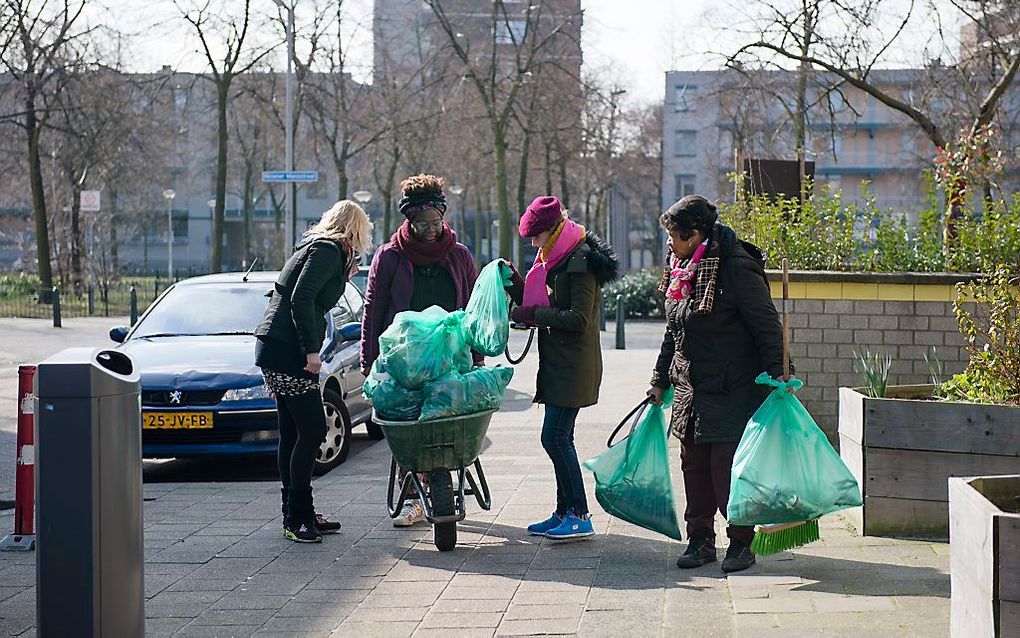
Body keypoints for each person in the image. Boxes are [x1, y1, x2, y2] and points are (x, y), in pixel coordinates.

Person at [646, 194, 785, 573]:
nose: (669, 244)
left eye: (674, 235)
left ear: (695, 235)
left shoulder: (736, 268)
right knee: (693, 464)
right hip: (691, 387)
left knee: (727, 467)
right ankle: (701, 539)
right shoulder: (682, 269)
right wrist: (659, 380)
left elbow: (768, 327)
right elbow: (674, 332)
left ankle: (741, 542)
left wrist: (778, 379)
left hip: (733, 386)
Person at [360, 173, 480, 527]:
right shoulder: (390, 257)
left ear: (444, 216)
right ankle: (413, 495)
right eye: (421, 223)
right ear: (407, 219)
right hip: (405, 361)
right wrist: (370, 362)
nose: (430, 230)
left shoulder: (459, 255)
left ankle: (441, 487)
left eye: (435, 221)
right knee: (410, 429)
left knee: (445, 426)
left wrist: (476, 356)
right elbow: (373, 309)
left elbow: (472, 309)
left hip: (450, 357)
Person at [255, 200, 373, 543]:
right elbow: (302, 298)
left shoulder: (315, 247)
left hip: (274, 345)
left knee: (293, 433)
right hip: (289, 349)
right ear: (356, 228)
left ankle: (297, 514)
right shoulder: (328, 250)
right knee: (313, 429)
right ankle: (298, 517)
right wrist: (310, 350)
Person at [505, 195, 619, 541]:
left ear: (552, 230)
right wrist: (517, 286)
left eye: (535, 237)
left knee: (553, 437)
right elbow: (551, 301)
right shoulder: (560, 254)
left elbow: (580, 318)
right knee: (559, 437)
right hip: (560, 363)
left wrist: (532, 315)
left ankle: (579, 515)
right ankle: (563, 512)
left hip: (573, 365)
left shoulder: (580, 261)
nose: (533, 244)